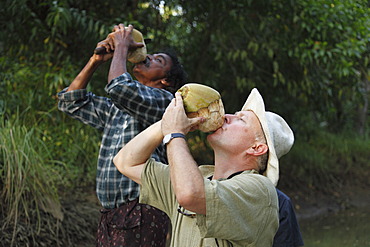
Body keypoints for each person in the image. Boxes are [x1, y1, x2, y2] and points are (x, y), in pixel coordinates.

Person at [57, 23, 187, 246]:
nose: (149, 57)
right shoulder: (116, 107)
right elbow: (70, 102)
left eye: (159, 60)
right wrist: (95, 60)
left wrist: (121, 48)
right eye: (152, 54)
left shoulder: (167, 103)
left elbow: (119, 87)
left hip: (142, 210)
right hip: (111, 214)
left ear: (166, 81)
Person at [113, 88, 295, 246]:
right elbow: (126, 162)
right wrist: (166, 124)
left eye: (241, 119)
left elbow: (190, 195)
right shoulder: (197, 176)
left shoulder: (260, 190)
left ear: (256, 148)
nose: (227, 116)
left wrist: (174, 133)